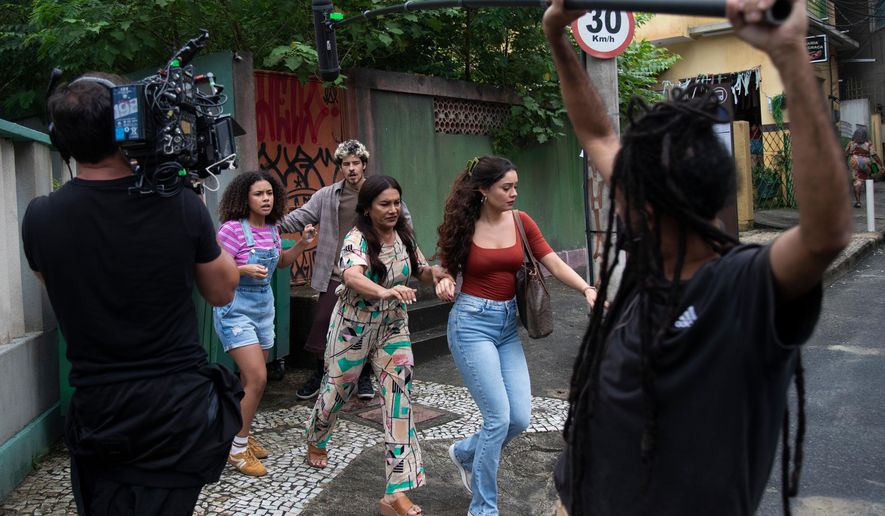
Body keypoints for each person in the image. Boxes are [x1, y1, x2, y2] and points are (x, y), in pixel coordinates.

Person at [542, 0, 851, 514]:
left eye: (626, 188)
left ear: (647, 206)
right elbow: (598, 134)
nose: (614, 188)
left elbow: (826, 234)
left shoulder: (744, 288)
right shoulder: (652, 271)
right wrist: (557, 35)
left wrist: (789, 53)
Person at [22, 72, 243, 515]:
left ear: (60, 139)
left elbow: (60, 287)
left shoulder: (40, 217)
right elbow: (222, 291)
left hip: (100, 416)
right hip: (176, 416)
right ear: (136, 125)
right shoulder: (179, 205)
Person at [436, 156, 597, 516]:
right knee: (497, 418)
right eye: (506, 187)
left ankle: (464, 453)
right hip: (471, 324)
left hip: (507, 325)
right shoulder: (464, 223)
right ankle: (484, 508)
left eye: (515, 186)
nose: (514, 193)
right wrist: (444, 279)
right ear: (483, 190)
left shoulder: (521, 222)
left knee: (519, 418)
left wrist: (586, 288)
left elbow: (552, 261)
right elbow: (444, 266)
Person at [304, 175, 452, 516]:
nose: (392, 209)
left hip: (392, 328)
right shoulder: (356, 238)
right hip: (352, 328)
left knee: (399, 401)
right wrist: (385, 290)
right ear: (367, 208)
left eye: (397, 203)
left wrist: (442, 274)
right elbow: (352, 276)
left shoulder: (403, 236)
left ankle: (395, 492)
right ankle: (317, 436)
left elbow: (421, 270)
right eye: (384, 204)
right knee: (336, 393)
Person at [279, 140, 411, 401]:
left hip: (375, 273)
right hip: (337, 272)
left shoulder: (378, 193)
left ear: (364, 165)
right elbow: (299, 217)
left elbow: (404, 221)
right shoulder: (328, 196)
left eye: (356, 163)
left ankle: (362, 376)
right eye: (345, 164)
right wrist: (264, 222)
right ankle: (320, 372)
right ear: (340, 167)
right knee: (323, 323)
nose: (351, 169)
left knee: (367, 326)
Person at [214, 170, 317, 476]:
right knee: (257, 378)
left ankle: (240, 433)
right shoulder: (230, 230)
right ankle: (237, 450)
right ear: (244, 197)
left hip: (264, 309)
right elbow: (218, 271)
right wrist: (243, 270)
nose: (266, 199)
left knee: (251, 383)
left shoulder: (272, 230)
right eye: (259, 194)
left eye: (270, 194)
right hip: (236, 308)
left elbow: (281, 262)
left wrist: (301, 244)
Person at [845, 127, 883, 207]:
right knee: (872, 170)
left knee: (857, 182)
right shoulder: (868, 143)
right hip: (866, 161)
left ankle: (858, 202)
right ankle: (870, 177)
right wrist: (882, 165)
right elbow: (874, 155)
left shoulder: (851, 143)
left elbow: (846, 155)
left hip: (854, 161)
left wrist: (845, 164)